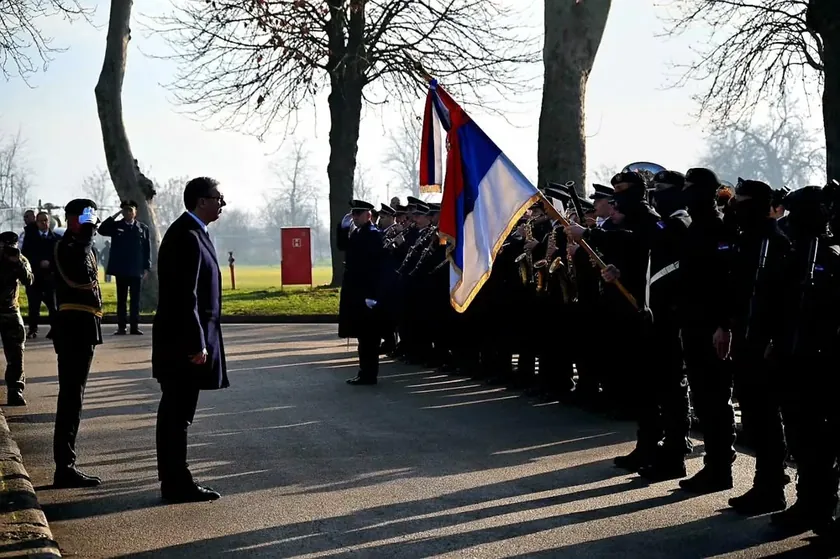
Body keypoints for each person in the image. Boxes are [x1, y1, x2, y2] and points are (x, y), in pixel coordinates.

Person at [153, 177, 227, 503]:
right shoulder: (186, 235)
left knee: (178, 414)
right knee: (176, 414)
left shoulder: (196, 232)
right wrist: (196, 343)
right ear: (201, 201)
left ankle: (175, 480)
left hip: (184, 340)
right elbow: (185, 296)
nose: (223, 203)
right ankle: (175, 483)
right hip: (182, 343)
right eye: (218, 198)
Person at [51, 199, 103, 488]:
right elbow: (80, 275)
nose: (90, 223)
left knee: (75, 397)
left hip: (86, 324)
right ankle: (64, 467)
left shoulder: (85, 245)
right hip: (72, 325)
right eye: (85, 217)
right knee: (71, 397)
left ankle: (66, 463)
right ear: (72, 219)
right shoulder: (66, 246)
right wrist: (86, 235)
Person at [337, 199, 385, 385]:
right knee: (362, 336)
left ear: (368, 215)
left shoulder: (373, 235)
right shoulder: (358, 232)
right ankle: (364, 371)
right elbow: (343, 247)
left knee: (369, 337)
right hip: (357, 291)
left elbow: (375, 269)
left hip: (366, 292)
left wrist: (373, 295)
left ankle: (369, 373)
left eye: (358, 214)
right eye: (354, 214)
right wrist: (342, 229)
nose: (355, 217)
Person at [97, 200, 151, 335]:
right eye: (125, 210)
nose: (128, 213)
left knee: (135, 300)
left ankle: (134, 327)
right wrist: (115, 215)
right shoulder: (116, 226)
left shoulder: (142, 228)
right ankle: (121, 327)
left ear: (135, 212)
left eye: (130, 210)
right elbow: (101, 229)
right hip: (121, 269)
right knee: (121, 300)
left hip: (136, 269)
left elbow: (147, 249)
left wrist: (147, 268)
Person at [0, 231, 33, 406]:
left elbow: (29, 280)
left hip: (10, 310)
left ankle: (15, 390)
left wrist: (17, 262)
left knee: (16, 353)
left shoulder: (19, 259)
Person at [21, 211, 59, 339]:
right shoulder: (30, 238)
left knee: (53, 306)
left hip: (50, 277)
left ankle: (55, 329)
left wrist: (50, 264)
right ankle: (33, 329)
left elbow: (58, 257)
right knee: (34, 306)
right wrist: (38, 262)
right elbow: (26, 255)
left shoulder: (55, 239)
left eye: (46, 220)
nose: (44, 223)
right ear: (36, 223)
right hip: (35, 277)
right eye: (41, 221)